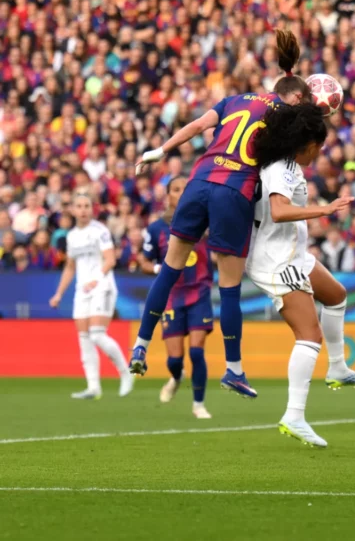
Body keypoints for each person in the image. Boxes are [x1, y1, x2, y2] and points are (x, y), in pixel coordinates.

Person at [128, 29, 311, 399]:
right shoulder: (286, 114)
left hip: (199, 181)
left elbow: (197, 126)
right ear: (294, 96)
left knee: (169, 268)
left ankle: (141, 344)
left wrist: (160, 152)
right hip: (233, 190)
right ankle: (234, 370)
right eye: (303, 100)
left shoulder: (234, 99)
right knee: (228, 287)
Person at [246, 102, 355, 448]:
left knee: (336, 295)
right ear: (306, 144)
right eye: (319, 146)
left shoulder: (289, 165)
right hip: (276, 260)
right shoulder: (282, 169)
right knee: (309, 335)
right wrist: (324, 209)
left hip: (294, 253)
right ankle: (294, 415)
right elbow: (278, 212)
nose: (320, 152)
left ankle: (337, 368)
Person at [138, 176, 214, 419]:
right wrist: (159, 269)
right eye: (176, 189)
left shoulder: (206, 220)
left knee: (197, 352)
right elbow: (143, 262)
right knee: (174, 359)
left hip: (199, 292)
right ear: (167, 195)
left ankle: (198, 404)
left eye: (185, 189)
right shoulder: (156, 228)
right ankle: (176, 376)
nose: (181, 193)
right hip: (171, 296)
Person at [48, 193, 134, 400]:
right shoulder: (71, 236)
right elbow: (70, 267)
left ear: (91, 209)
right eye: (79, 206)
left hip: (102, 286)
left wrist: (97, 278)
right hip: (81, 290)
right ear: (74, 210)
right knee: (84, 338)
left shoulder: (100, 231)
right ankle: (93, 387)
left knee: (97, 334)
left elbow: (110, 259)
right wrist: (59, 293)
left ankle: (126, 372)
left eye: (87, 205)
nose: (83, 209)